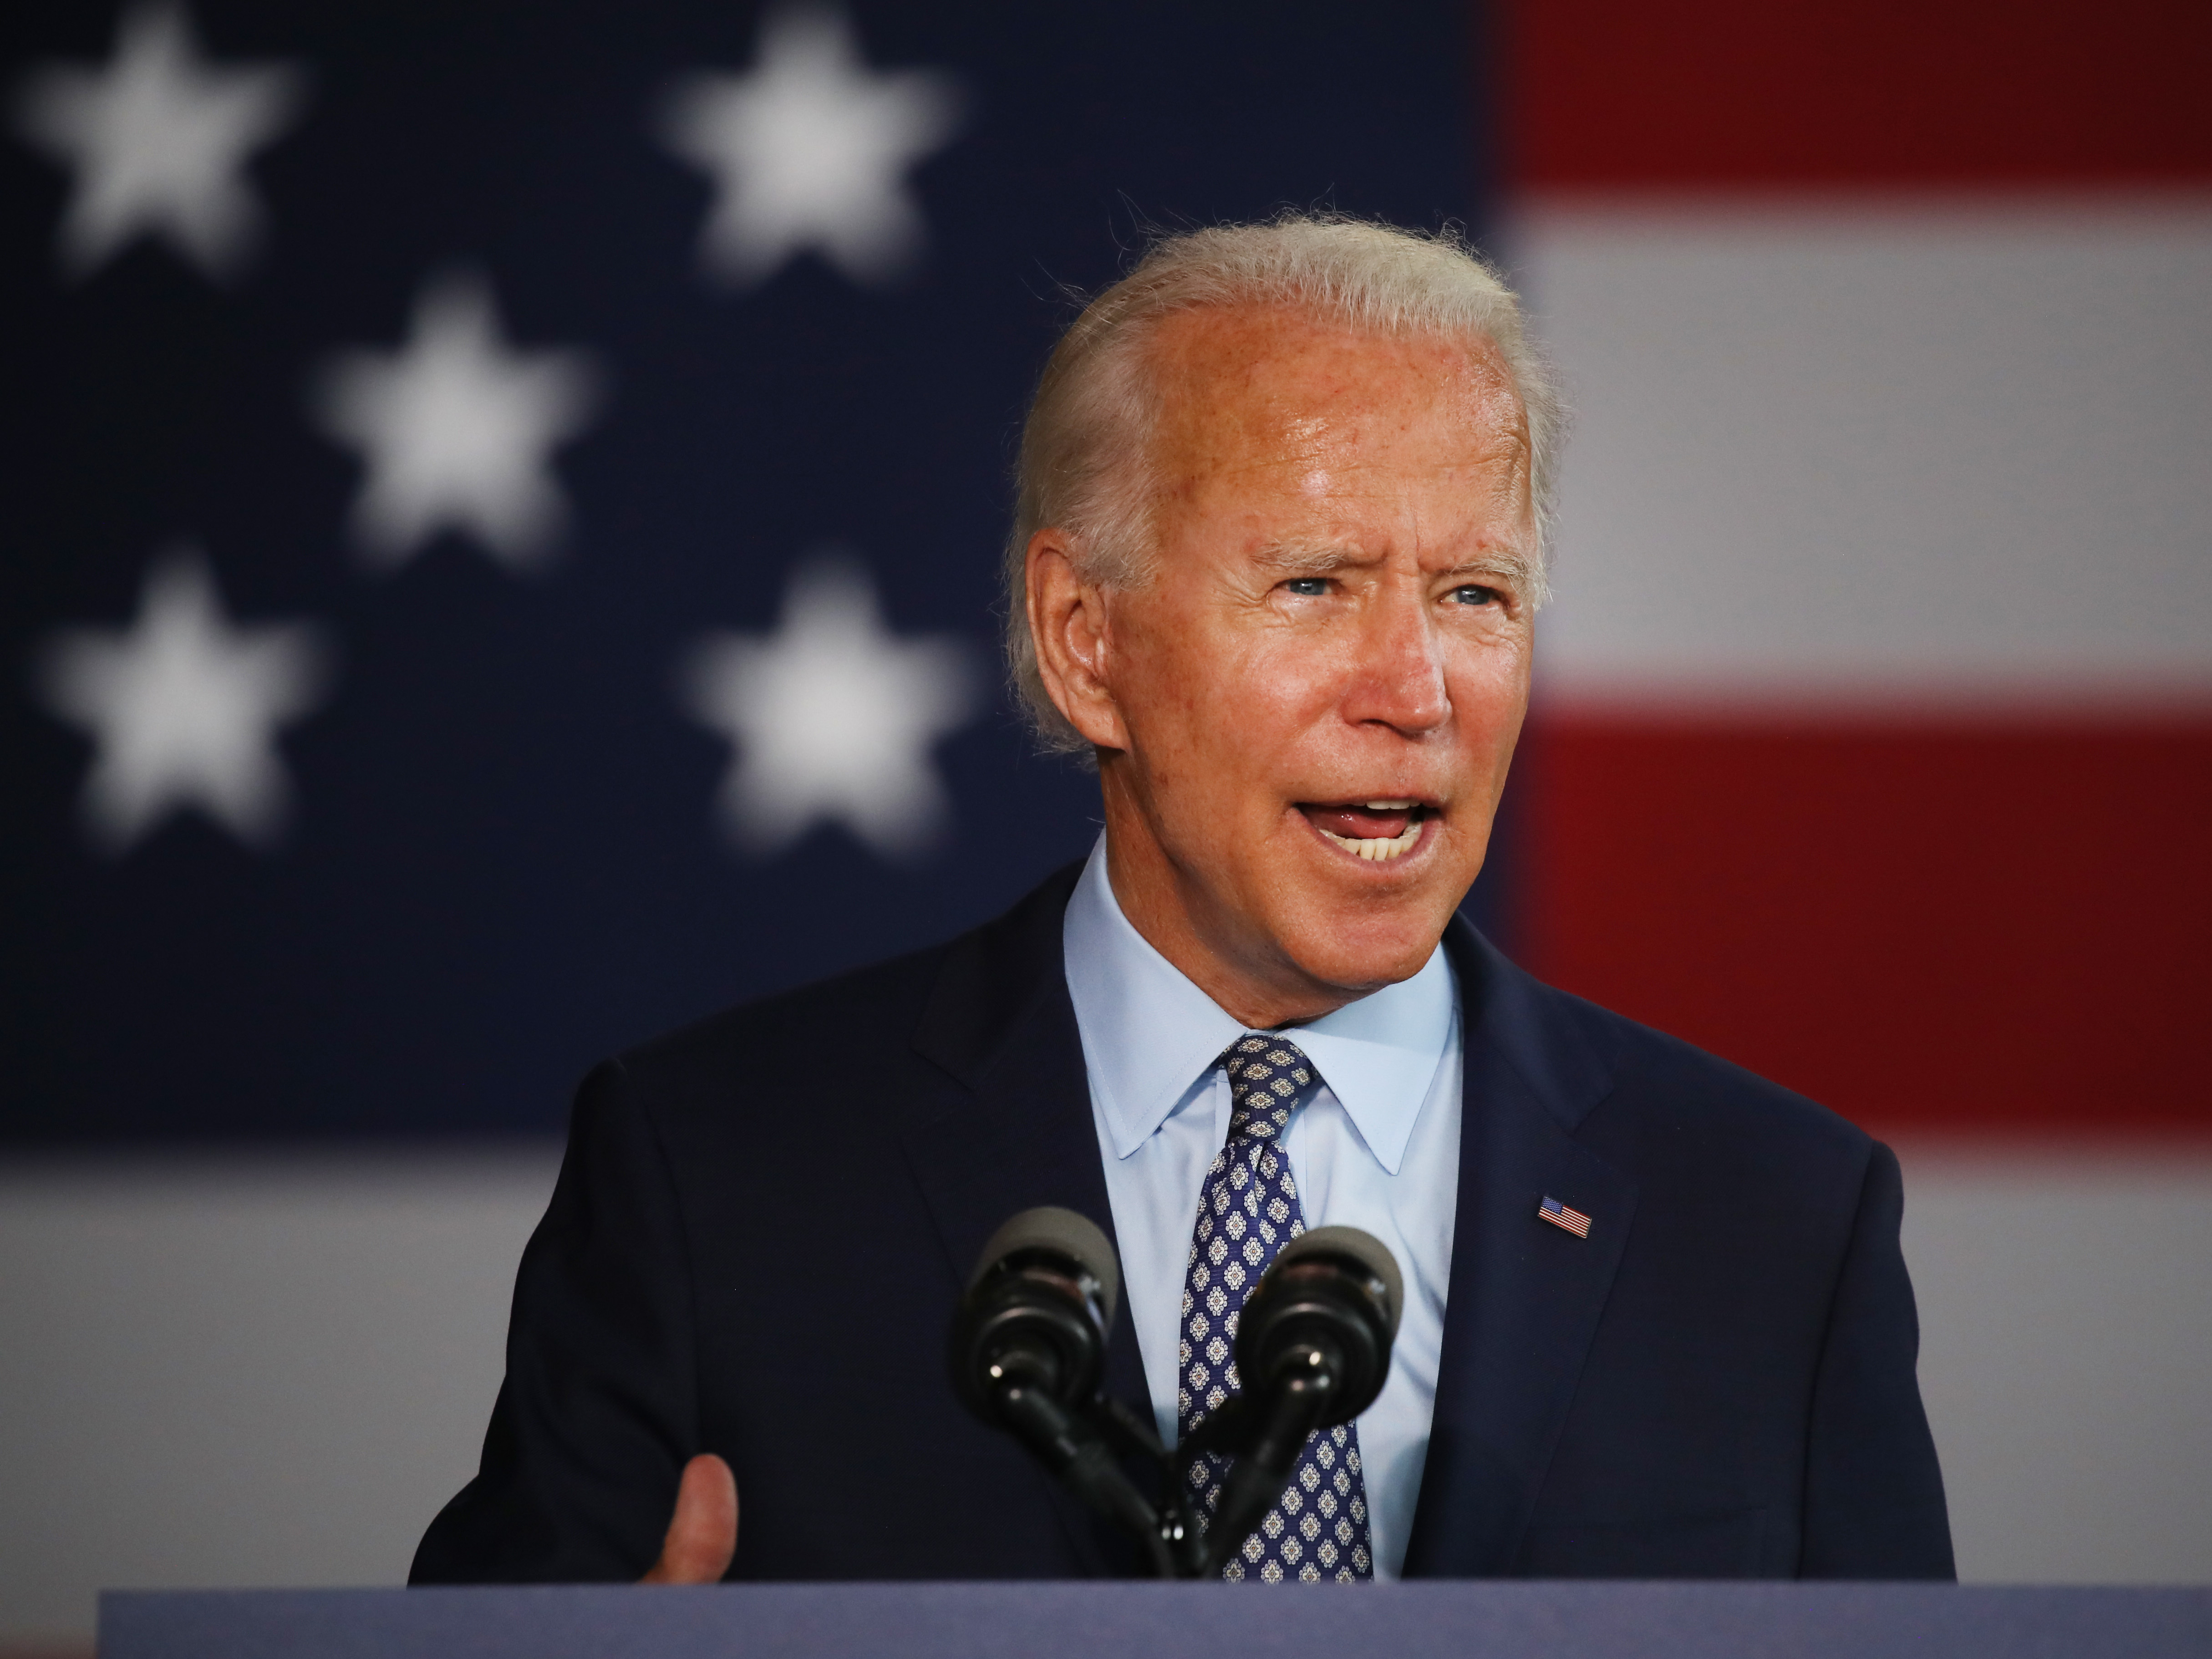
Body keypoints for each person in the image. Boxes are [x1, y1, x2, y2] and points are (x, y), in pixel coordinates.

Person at [412, 214, 1953, 1586]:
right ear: (1085, 641)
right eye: (1313, 584)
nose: (1417, 690)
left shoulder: (1772, 1224)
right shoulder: (715, 1179)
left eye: (1474, 594)